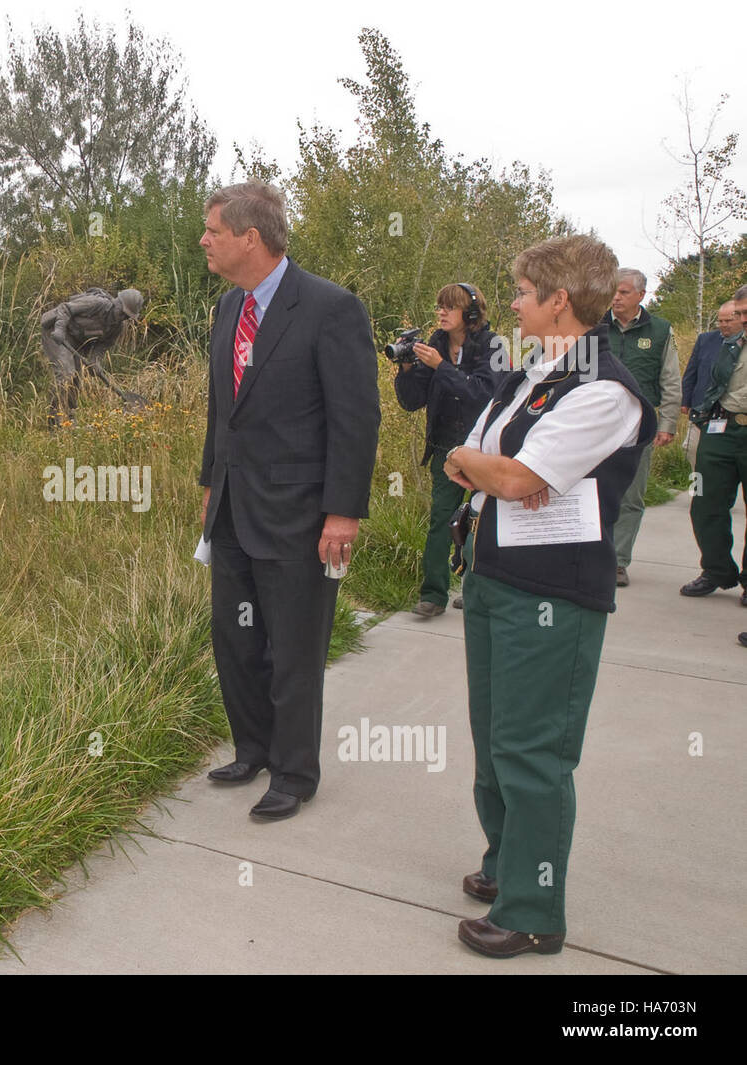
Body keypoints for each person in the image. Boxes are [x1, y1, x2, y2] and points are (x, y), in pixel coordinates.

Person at [443, 234, 656, 957]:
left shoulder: (606, 390)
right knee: (493, 736)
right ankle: (506, 864)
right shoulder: (532, 373)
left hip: (553, 596)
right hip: (495, 572)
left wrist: (492, 467)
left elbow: (513, 478)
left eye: (524, 291)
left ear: (559, 300)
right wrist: (484, 464)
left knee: (533, 750)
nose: (512, 302)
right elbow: (466, 454)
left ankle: (534, 910)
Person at [197, 181, 379, 821]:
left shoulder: (331, 308)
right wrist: (207, 485)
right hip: (232, 508)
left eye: (213, 230)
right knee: (236, 640)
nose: (204, 240)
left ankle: (295, 772)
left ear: (250, 236)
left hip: (300, 514)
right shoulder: (228, 309)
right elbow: (222, 410)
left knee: (295, 647)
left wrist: (344, 511)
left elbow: (355, 419)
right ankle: (253, 748)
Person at [393, 283, 504, 617]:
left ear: (469, 314)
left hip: (485, 447)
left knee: (483, 520)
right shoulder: (435, 344)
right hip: (445, 447)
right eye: (438, 306)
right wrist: (408, 367)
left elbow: (483, 394)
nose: (440, 312)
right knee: (441, 519)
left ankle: (477, 589)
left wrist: (443, 367)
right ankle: (433, 594)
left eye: (449, 307)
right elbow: (411, 401)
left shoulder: (492, 345)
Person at [600, 268, 679, 586]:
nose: (616, 298)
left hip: (638, 426)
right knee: (592, 490)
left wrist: (668, 422)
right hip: (596, 423)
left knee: (630, 496)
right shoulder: (595, 326)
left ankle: (618, 561)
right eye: (613, 292)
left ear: (641, 295)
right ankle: (590, 553)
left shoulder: (660, 330)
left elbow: (670, 379)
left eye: (623, 292)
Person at [682, 283, 747, 610]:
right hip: (720, 430)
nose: (741, 320)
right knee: (704, 502)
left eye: (745, 314)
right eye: (739, 314)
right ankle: (717, 569)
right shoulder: (729, 344)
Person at [41, 287, 143, 428]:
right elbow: (65, 309)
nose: (122, 318)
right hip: (58, 332)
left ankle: (70, 418)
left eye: (127, 317)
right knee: (66, 374)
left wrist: (95, 362)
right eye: (122, 313)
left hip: (77, 341)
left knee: (76, 379)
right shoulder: (97, 303)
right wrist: (59, 329)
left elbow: (102, 346)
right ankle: (53, 420)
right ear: (117, 303)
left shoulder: (118, 327)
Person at [681, 301, 740, 469]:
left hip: (733, 414)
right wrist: (685, 400)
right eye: (720, 321)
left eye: (728, 321)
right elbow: (691, 371)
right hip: (702, 411)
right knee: (693, 451)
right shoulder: (706, 340)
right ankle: (697, 492)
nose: (723, 325)